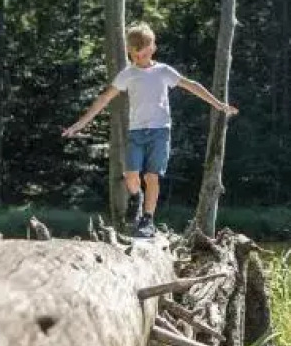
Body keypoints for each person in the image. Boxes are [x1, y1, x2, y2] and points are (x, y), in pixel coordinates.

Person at [62, 23, 236, 237]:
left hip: (160, 131)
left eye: (143, 54)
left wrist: (218, 104)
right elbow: (104, 98)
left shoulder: (163, 71)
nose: (139, 59)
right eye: (135, 55)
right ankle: (137, 198)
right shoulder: (127, 74)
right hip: (136, 132)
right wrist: (80, 124)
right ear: (130, 52)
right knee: (131, 176)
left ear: (152, 48)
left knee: (152, 177)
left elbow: (191, 85)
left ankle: (147, 220)